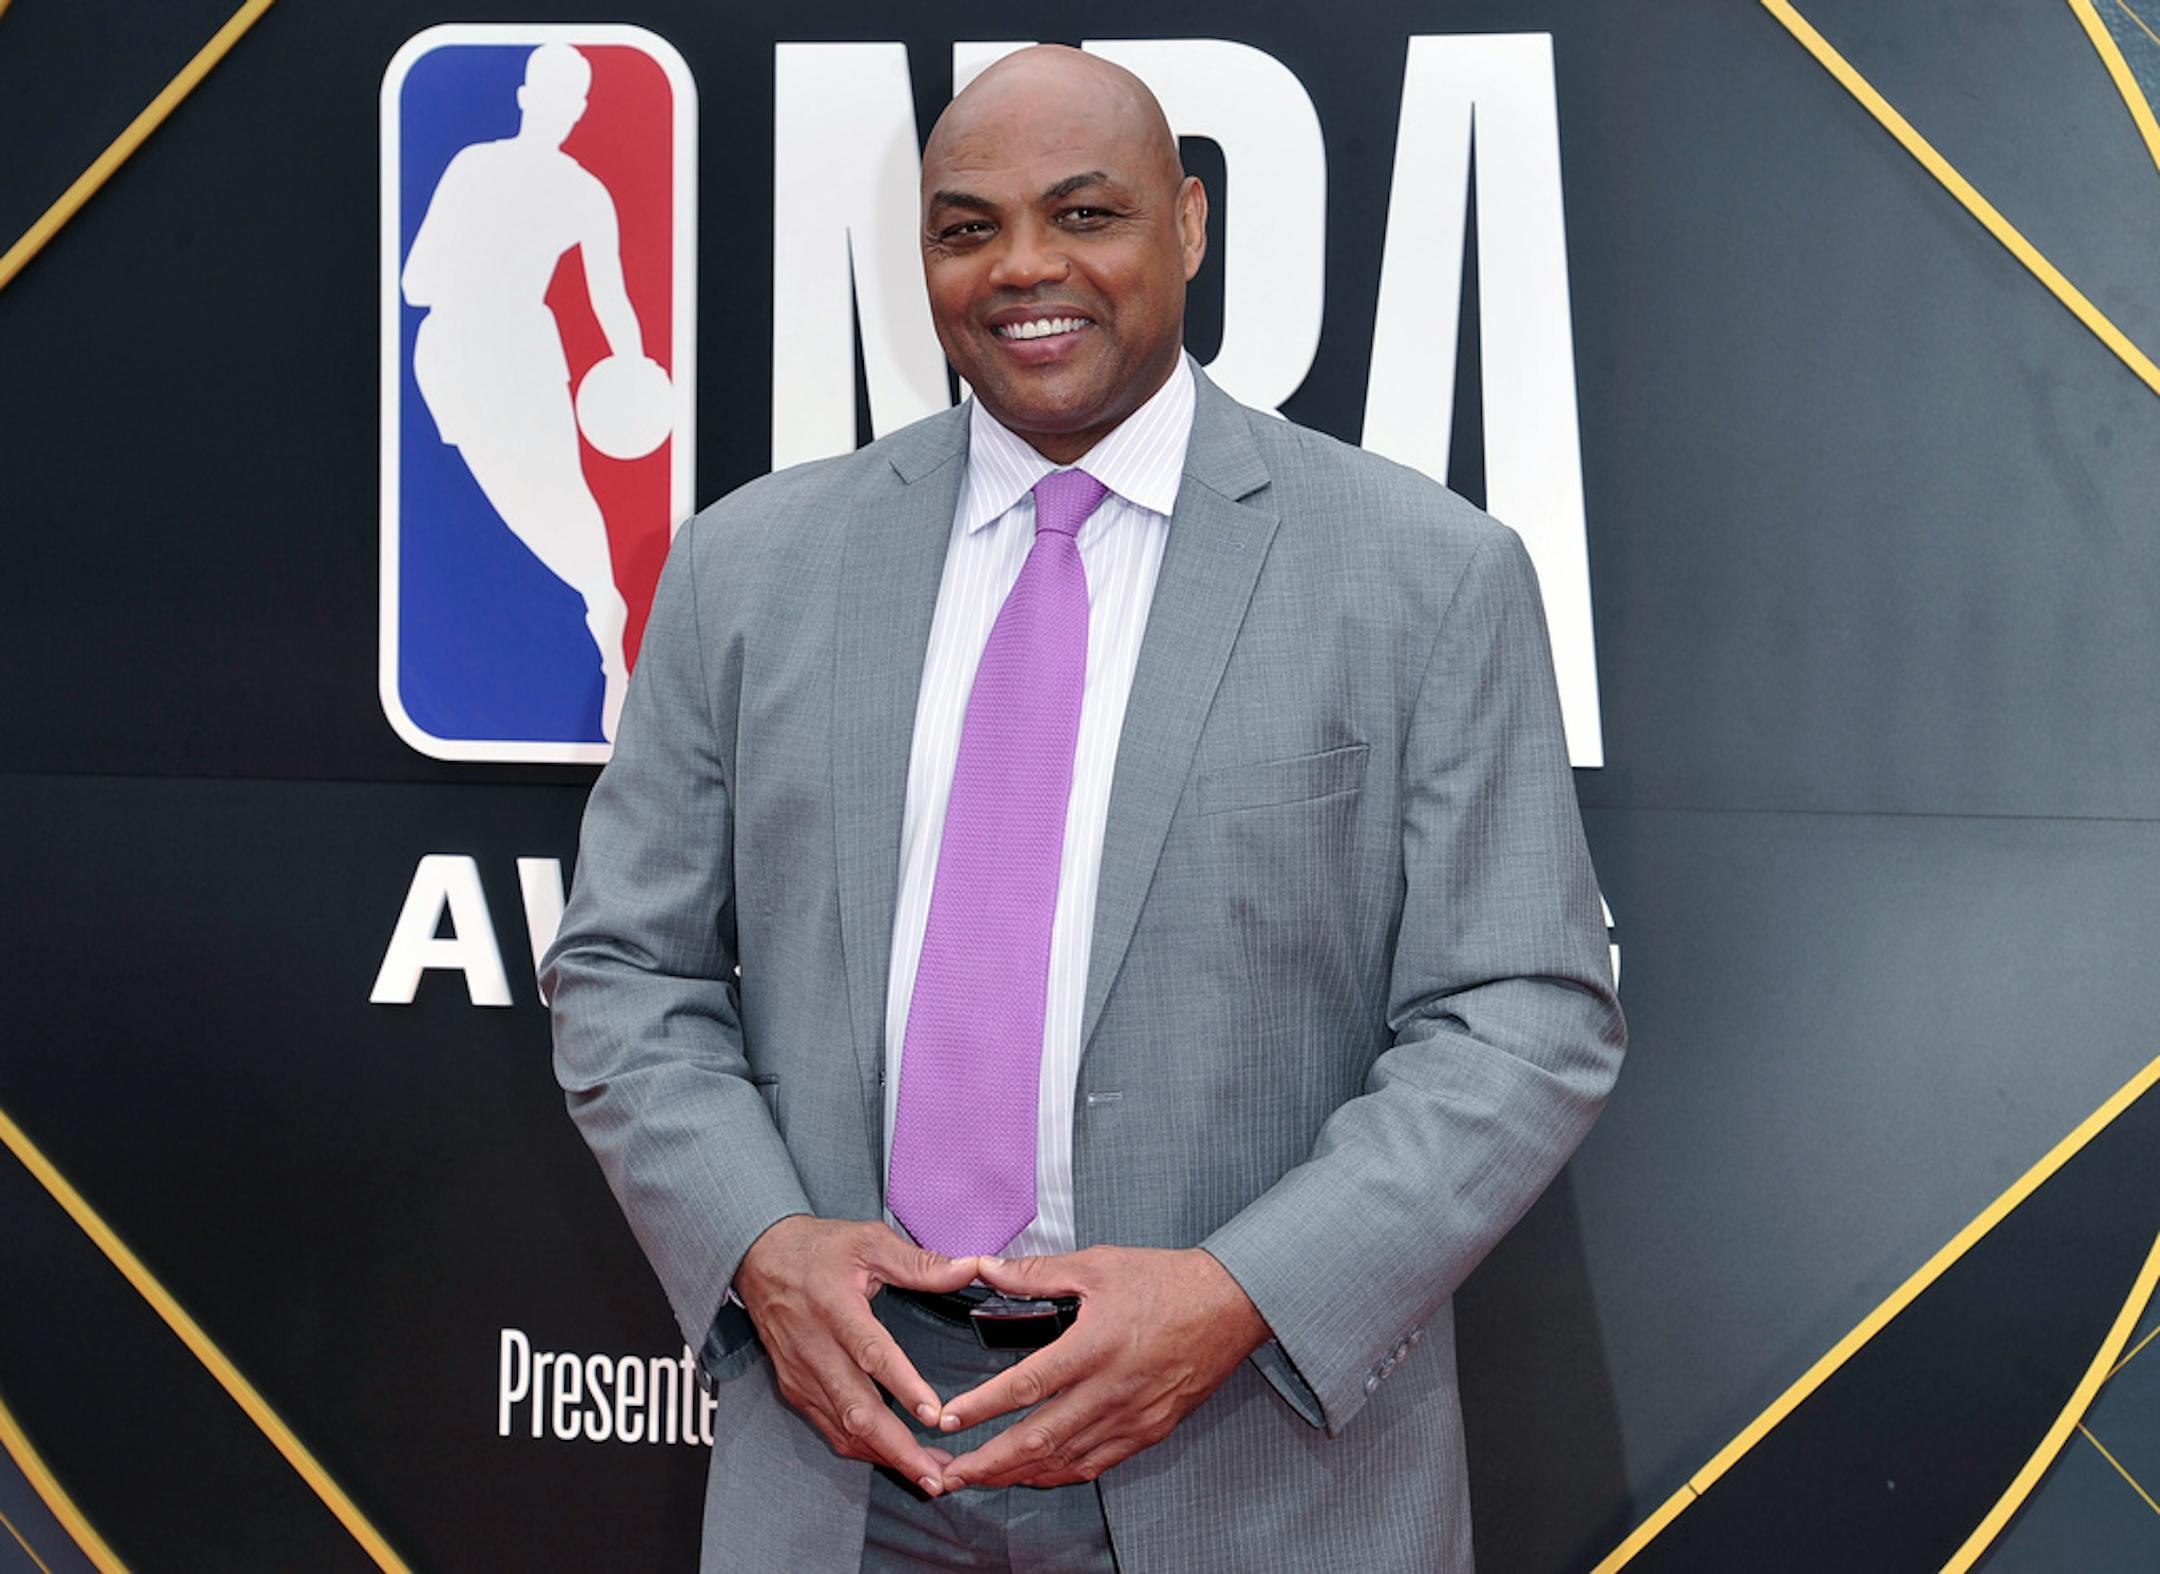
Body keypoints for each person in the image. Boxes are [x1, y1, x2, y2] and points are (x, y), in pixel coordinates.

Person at [545, 44, 1624, 1572]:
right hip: (843, 1461)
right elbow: (625, 968)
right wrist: (764, 1249)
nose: (1025, 267)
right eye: (966, 226)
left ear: (1186, 225)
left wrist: (1240, 1294)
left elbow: (1526, 1011)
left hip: (1249, 1457)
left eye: (1085, 212)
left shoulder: (1422, 574)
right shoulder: (751, 568)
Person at [403, 41, 651, 740]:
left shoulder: (571, 190)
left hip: (507, 353)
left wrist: (630, 369)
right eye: (555, 95)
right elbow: (413, 283)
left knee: (556, 495)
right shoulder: (487, 170)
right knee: (519, 503)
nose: (559, 109)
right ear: (539, 101)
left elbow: (612, 300)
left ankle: (607, 630)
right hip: (460, 357)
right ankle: (600, 610)